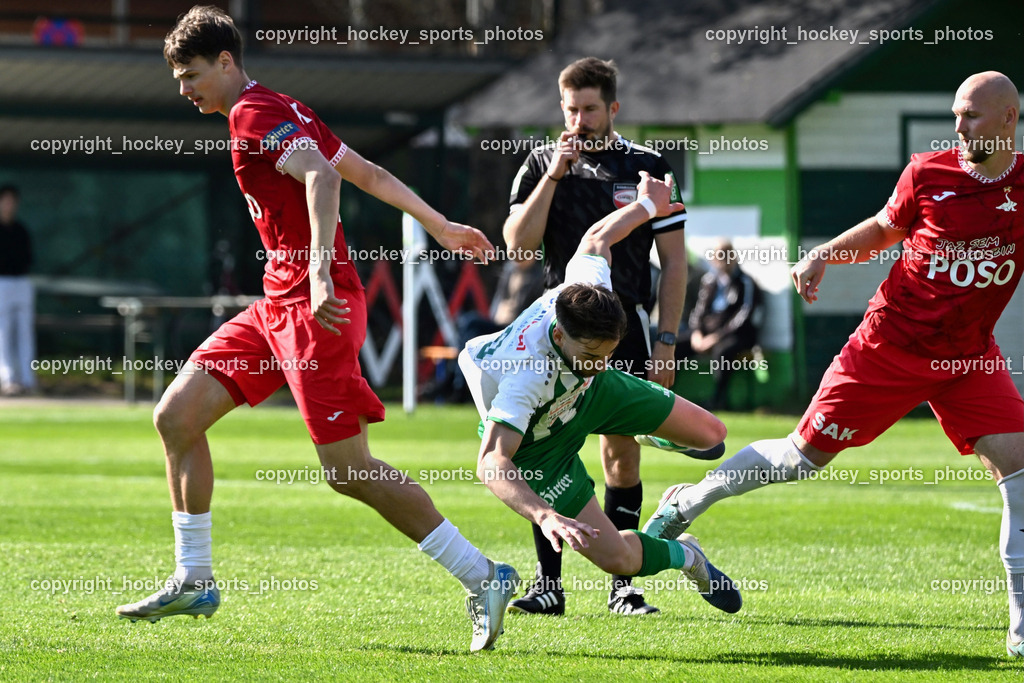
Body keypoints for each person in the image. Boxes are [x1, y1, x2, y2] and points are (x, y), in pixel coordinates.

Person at [115, 6, 519, 653]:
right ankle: (194, 577)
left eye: (190, 75)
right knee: (176, 416)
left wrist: (322, 274)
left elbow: (325, 178)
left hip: (316, 309)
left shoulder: (254, 114)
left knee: (347, 471)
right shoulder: (281, 108)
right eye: (177, 78)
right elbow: (369, 174)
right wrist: (439, 224)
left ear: (226, 62)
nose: (183, 89)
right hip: (276, 307)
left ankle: (485, 574)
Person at [641, 71, 1024, 658]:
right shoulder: (928, 172)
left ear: (1008, 120)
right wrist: (823, 255)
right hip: (888, 349)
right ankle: (688, 501)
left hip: (970, 357)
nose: (958, 125)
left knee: (1020, 474)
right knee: (799, 459)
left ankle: (1021, 629)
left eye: (970, 115)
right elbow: (883, 230)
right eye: (954, 113)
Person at [461, 171, 741, 615]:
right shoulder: (528, 375)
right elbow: (491, 462)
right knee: (620, 558)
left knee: (712, 435)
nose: (603, 361)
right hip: (542, 445)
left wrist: (648, 206)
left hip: (588, 394)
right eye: (593, 353)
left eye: (609, 352)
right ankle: (689, 556)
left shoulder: (588, 300)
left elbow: (596, 238)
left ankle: (642, 430)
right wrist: (545, 515)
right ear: (559, 332)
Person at [502, 56, 697, 616]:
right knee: (543, 452)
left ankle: (623, 584)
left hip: (624, 327)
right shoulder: (541, 162)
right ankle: (549, 585)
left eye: (590, 108)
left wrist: (667, 340)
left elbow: (675, 265)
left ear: (613, 108)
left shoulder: (648, 168)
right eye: (570, 109)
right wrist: (554, 175)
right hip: (553, 331)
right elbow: (518, 245)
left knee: (621, 454)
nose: (580, 119)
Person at [687, 240, 763, 409]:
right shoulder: (709, 281)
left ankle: (718, 400)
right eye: (719, 256)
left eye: (727, 256)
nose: (724, 261)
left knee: (723, 352)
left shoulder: (745, 282)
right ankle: (667, 396)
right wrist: (697, 334)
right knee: (675, 346)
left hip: (736, 336)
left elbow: (744, 314)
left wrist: (716, 337)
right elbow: (699, 310)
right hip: (706, 335)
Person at [0, 184, 36, 397]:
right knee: (3, 332)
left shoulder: (21, 230)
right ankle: (8, 379)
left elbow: (28, 259)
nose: (9, 205)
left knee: (24, 332)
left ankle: (27, 379)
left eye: (12, 201)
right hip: (1, 283)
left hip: (21, 282)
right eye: (5, 200)